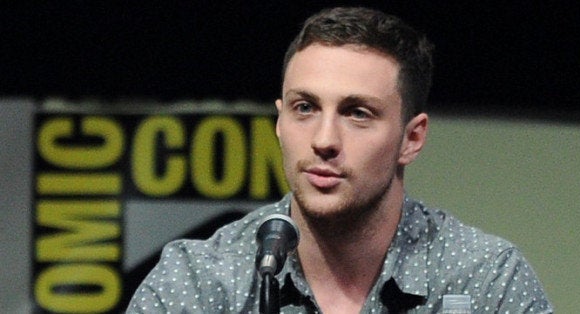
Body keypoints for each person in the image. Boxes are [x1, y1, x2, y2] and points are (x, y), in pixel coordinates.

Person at [127, 7, 553, 313]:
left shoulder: (484, 280)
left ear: (412, 137)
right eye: (305, 108)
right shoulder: (200, 280)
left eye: (357, 113)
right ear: (279, 122)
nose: (324, 140)